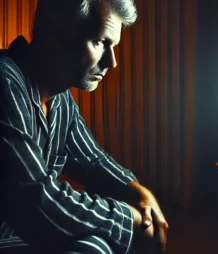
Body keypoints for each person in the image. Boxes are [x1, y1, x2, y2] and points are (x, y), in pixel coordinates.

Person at [0, 0, 168, 253]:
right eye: (101, 42)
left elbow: (91, 160)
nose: (112, 63)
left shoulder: (60, 98)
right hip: (9, 232)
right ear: (55, 34)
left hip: (22, 234)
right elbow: (34, 200)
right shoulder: (5, 82)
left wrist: (140, 194)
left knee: (99, 242)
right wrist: (130, 221)